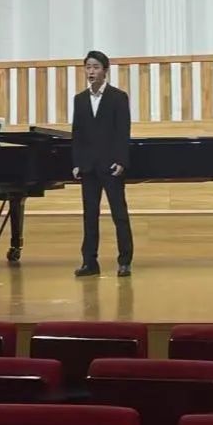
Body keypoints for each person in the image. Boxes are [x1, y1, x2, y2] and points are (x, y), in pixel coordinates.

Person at [71, 50, 133, 277]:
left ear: (105, 71)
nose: (91, 71)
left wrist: (121, 161)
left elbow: (123, 132)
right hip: (88, 167)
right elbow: (77, 133)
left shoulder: (118, 97)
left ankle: (124, 261)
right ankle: (89, 262)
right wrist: (77, 162)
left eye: (96, 67)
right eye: (88, 67)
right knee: (90, 216)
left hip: (111, 166)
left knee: (119, 215)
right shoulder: (79, 99)